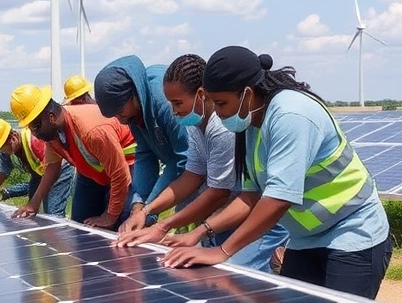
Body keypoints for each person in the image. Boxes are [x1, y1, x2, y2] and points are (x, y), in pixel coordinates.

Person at [162, 46, 393, 300]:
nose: (217, 112)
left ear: (248, 93)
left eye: (221, 103)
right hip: (305, 239)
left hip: (352, 232)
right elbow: (250, 197)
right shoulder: (251, 123)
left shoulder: (290, 114)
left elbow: (278, 198)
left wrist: (223, 251)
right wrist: (197, 234)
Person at [113, 54, 289, 273]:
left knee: (235, 279)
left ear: (201, 95)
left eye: (178, 103)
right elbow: (191, 176)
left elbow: (219, 193)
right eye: (170, 104)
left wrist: (164, 227)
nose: (174, 111)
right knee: (215, 279)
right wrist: (146, 211)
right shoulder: (194, 124)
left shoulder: (222, 127)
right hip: (226, 217)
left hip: (256, 220)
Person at [9, 84, 137, 229]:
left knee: (120, 227)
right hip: (92, 172)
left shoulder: (92, 131)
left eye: (36, 127)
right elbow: (53, 166)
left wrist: (110, 216)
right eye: (30, 128)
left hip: (128, 167)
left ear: (51, 117)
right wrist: (34, 202)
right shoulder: (53, 134)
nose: (35, 134)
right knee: (80, 225)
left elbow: (120, 174)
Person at [93, 55, 189, 233]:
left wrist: (147, 210)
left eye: (121, 112)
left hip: (205, 176)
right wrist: (138, 203)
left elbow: (184, 163)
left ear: (134, 94)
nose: (120, 120)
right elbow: (145, 154)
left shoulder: (165, 103)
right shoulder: (135, 112)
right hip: (184, 172)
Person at [0, 118, 74, 217]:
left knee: (52, 211)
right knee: (30, 210)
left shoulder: (34, 141)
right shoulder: (6, 149)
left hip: (59, 169)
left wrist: (35, 202)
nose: (3, 151)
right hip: (38, 172)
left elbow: (51, 170)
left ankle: (58, 231)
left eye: (3, 147)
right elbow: (4, 169)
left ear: (13, 137)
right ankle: (36, 234)